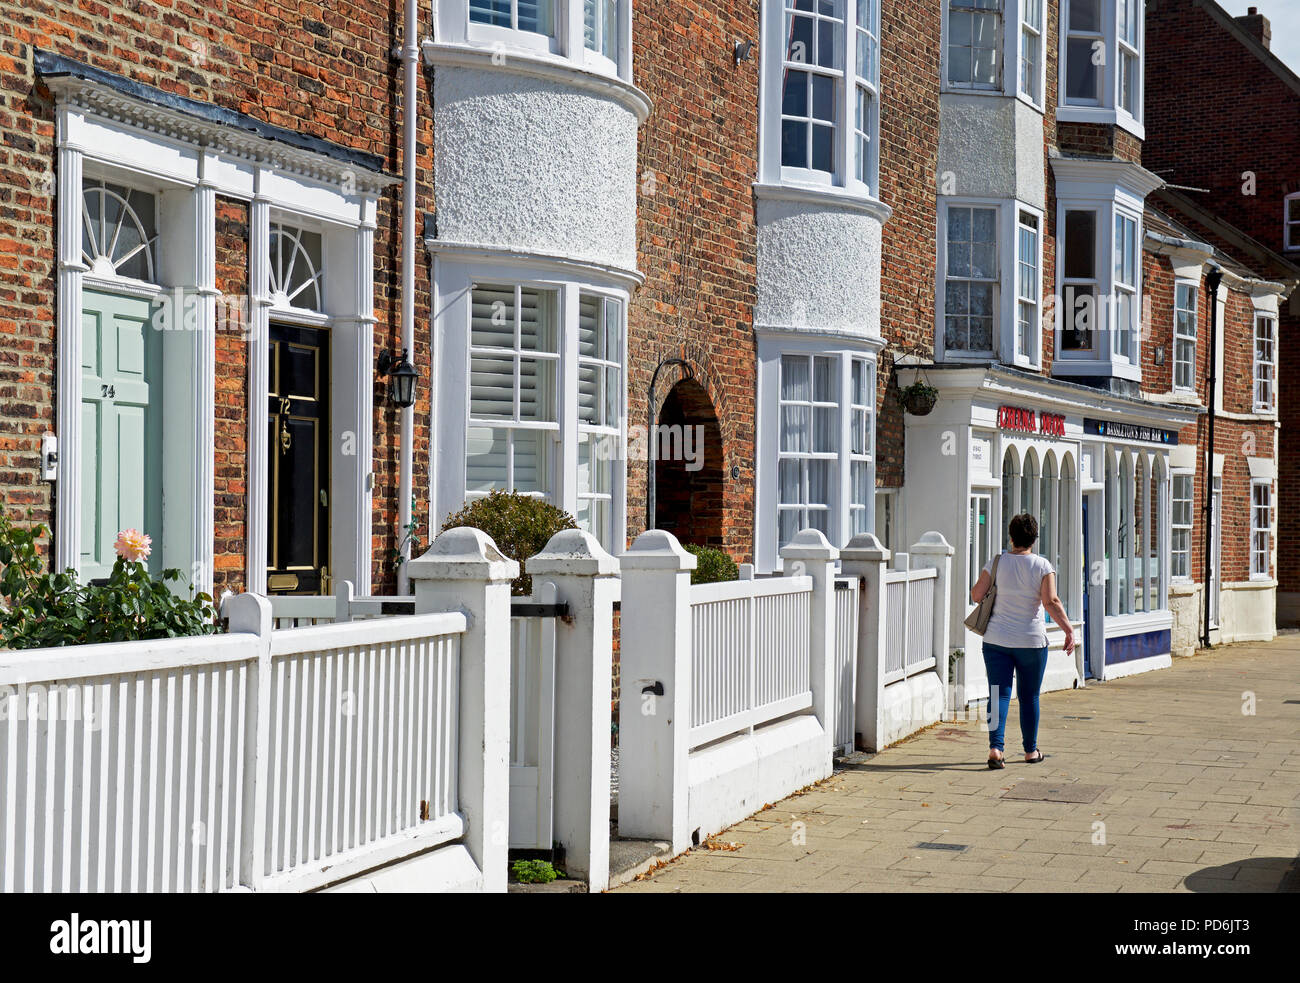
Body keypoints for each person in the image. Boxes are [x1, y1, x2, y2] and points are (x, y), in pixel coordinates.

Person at [969, 512, 1074, 769]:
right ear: (1034, 540)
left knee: (998, 694)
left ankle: (996, 748)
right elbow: (1050, 602)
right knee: (1029, 697)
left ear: (1011, 536)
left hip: (996, 640)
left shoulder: (996, 562)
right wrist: (1069, 630)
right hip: (1031, 642)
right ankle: (1030, 751)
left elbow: (976, 595)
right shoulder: (1043, 566)